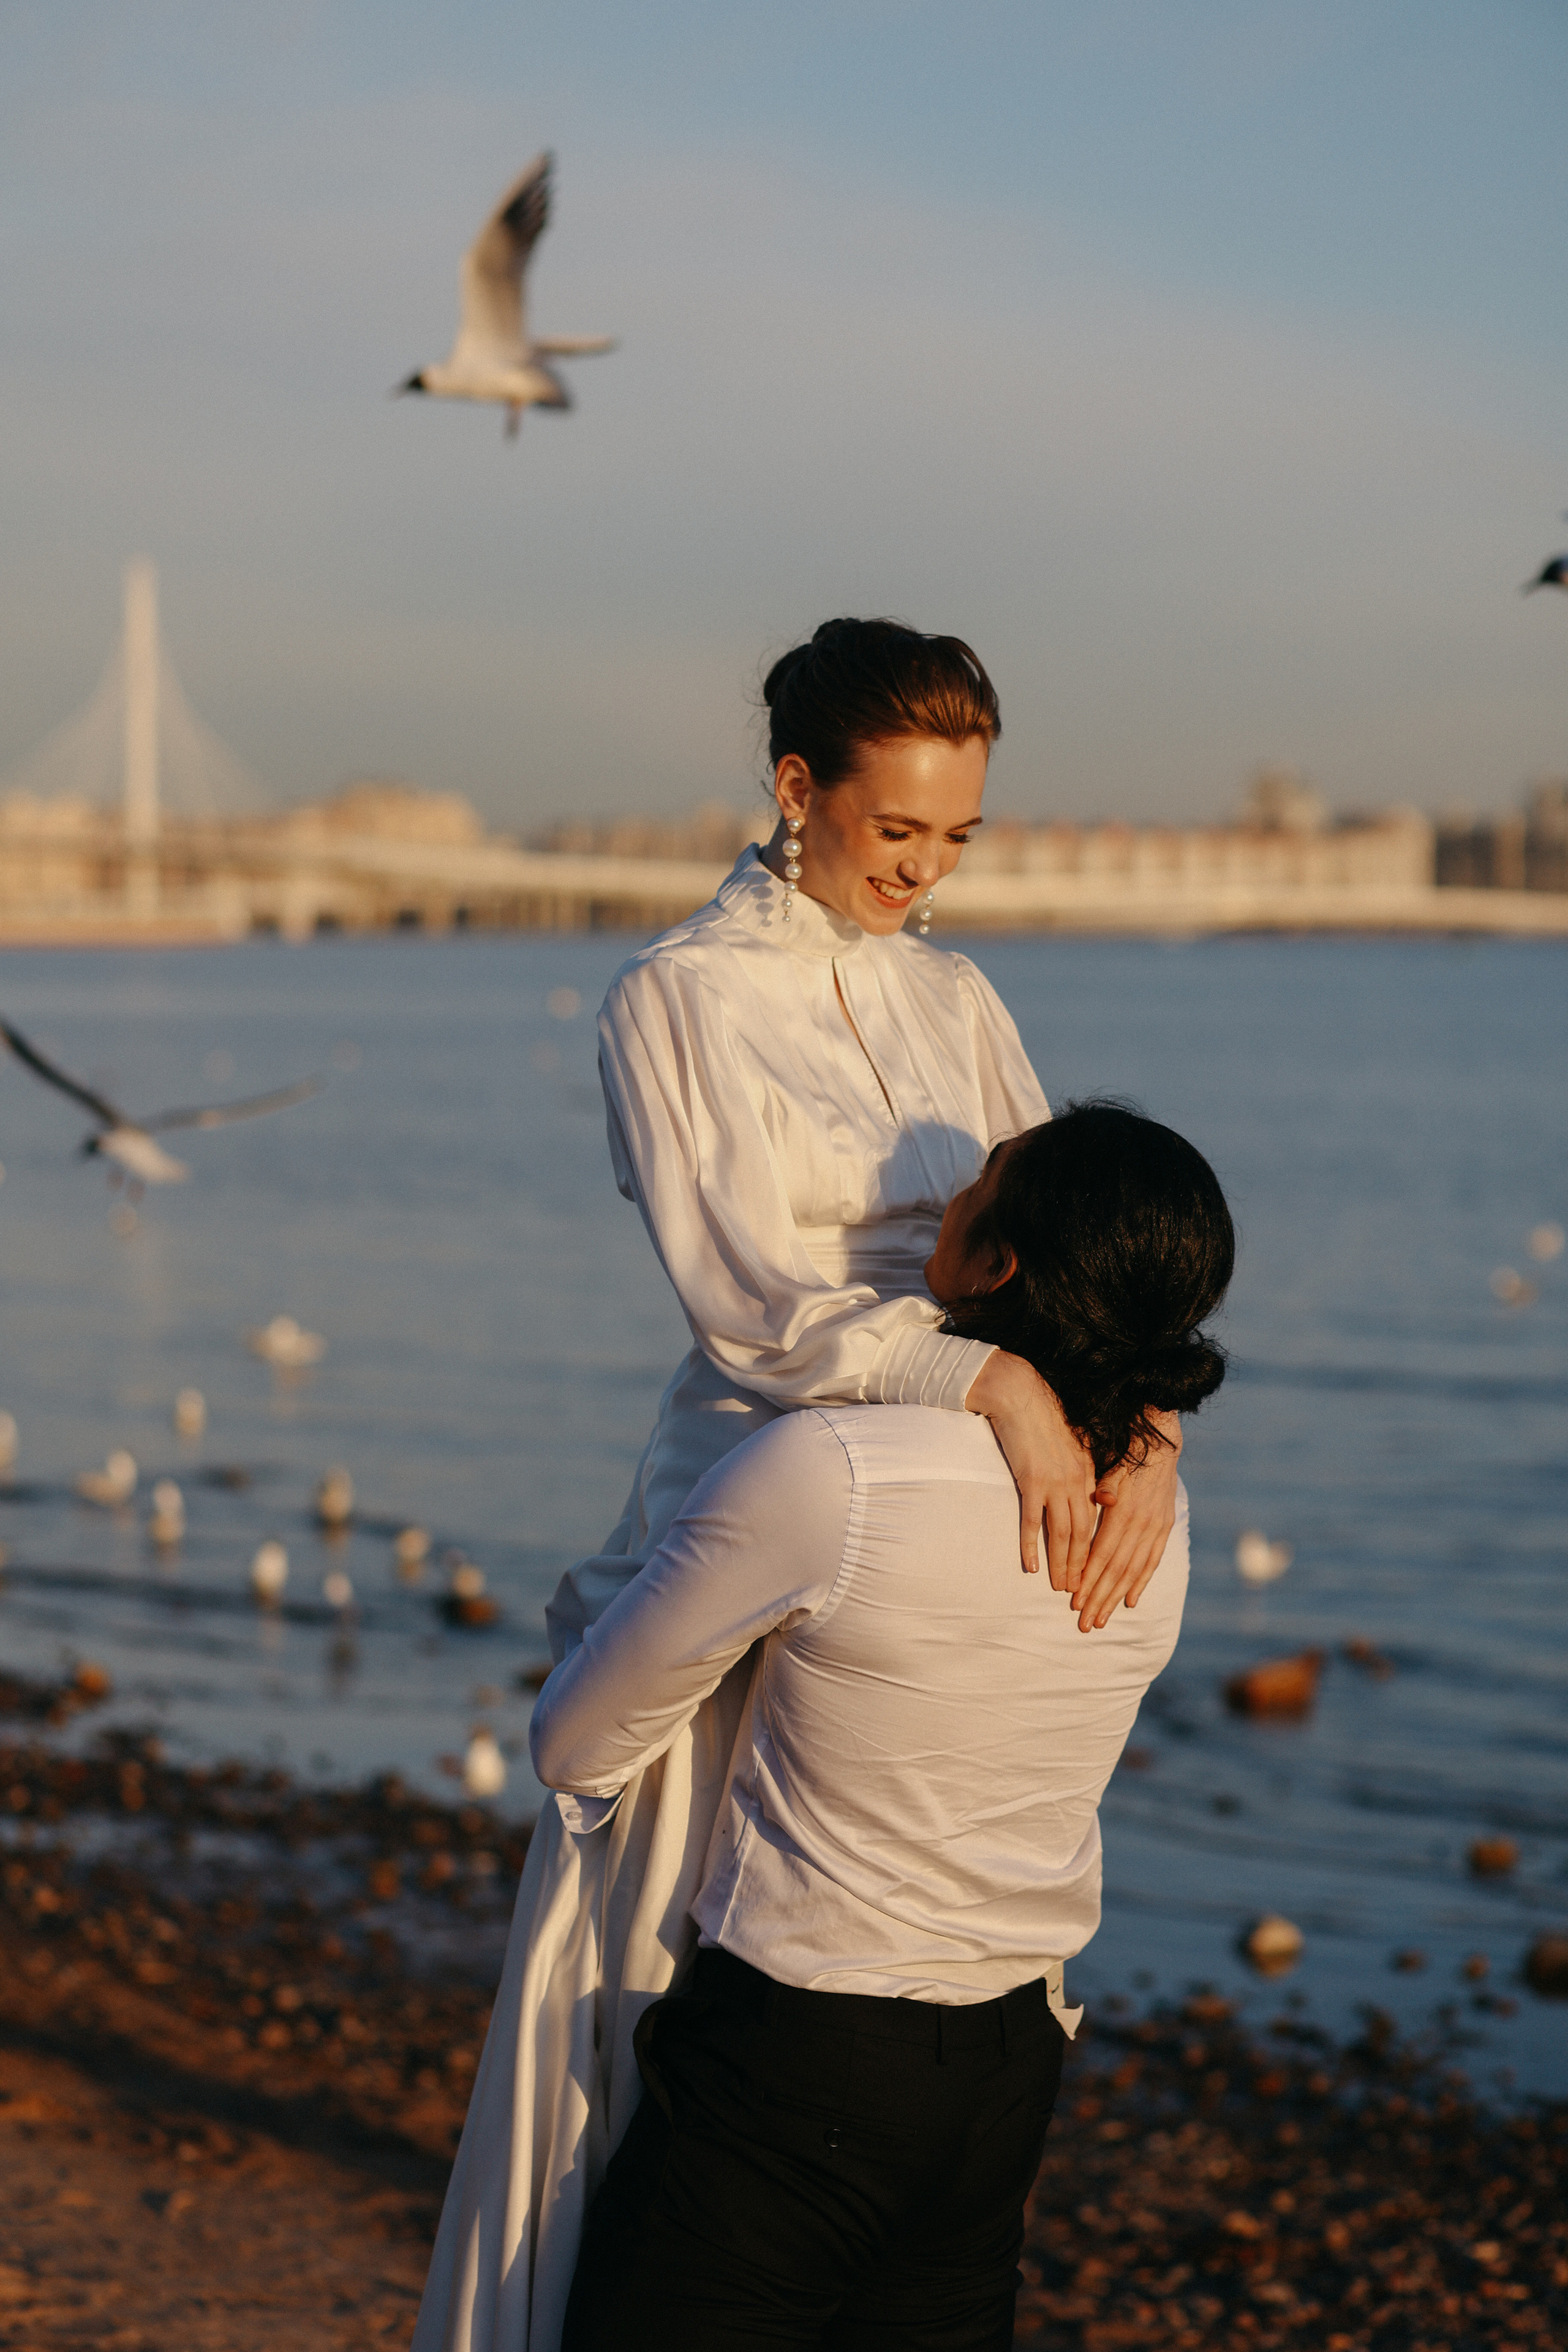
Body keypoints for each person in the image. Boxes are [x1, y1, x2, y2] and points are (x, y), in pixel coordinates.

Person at [413, 625, 1186, 2352]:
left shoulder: (960, 997)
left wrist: (1145, 1427)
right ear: (797, 789)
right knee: (667, 1986)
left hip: (981, 1480)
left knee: (907, 1920)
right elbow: (753, 1303)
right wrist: (988, 1377)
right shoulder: (676, 998)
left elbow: (1072, 1248)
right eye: (897, 830)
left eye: (958, 840)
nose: (923, 872)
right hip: (771, 1487)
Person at [534, 1104, 1234, 2349]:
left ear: (993, 1266)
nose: (943, 1197)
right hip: (1006, 2074)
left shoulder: (835, 1473)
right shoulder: (1153, 1526)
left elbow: (574, 1746)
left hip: (802, 2062)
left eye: (980, 1182)